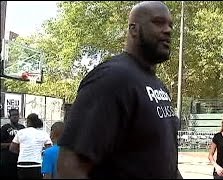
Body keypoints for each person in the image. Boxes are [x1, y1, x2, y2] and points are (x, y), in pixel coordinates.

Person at [57, 1, 182, 179]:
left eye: (170, 25)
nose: (168, 30)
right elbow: (70, 167)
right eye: (158, 22)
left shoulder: (159, 86)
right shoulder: (111, 78)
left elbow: (164, 162)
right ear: (134, 29)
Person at [9, 113, 52, 179]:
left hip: (22, 164)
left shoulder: (20, 132)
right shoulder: (43, 134)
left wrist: (21, 152)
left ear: (28, 122)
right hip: (36, 164)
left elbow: (12, 148)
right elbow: (49, 150)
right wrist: (40, 153)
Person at [0, 108, 25, 178]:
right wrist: (11, 145)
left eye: (17, 115)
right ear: (9, 117)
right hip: (6, 161)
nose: (15, 116)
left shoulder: (22, 128)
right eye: (13, 115)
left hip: (19, 160)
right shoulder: (4, 128)